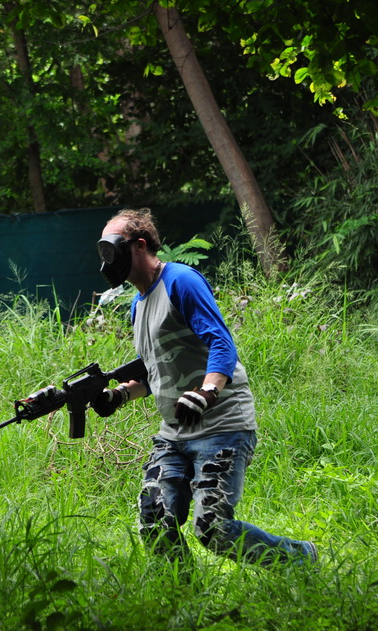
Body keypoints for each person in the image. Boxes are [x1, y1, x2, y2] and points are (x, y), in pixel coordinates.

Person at [90, 208, 317, 567]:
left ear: (139, 245)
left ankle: (301, 558)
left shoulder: (180, 280)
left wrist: (207, 392)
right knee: (154, 521)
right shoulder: (138, 304)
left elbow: (222, 343)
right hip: (174, 432)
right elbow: (155, 372)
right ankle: (182, 593)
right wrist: (119, 395)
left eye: (112, 247)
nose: (107, 258)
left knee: (213, 529)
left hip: (222, 425)